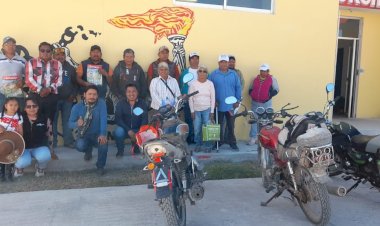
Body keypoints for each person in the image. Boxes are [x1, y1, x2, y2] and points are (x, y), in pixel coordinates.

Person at [25, 42, 62, 159]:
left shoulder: (57, 63)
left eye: (48, 50)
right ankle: (35, 148)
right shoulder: (31, 62)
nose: (45, 53)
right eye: (42, 50)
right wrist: (40, 89)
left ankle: (50, 150)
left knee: (50, 123)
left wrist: (49, 89)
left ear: (52, 52)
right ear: (39, 51)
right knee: (36, 122)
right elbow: (28, 79)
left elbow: (59, 80)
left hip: (51, 97)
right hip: (36, 96)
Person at [69, 85, 108, 175]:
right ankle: (88, 150)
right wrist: (77, 123)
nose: (92, 96)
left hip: (97, 135)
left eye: (94, 94)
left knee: (103, 143)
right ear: (84, 95)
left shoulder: (101, 104)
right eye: (89, 94)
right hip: (83, 135)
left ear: (97, 96)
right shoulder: (77, 107)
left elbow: (103, 119)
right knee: (80, 146)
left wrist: (102, 134)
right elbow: (70, 123)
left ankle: (100, 166)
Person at [209, 54, 241, 151]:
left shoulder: (233, 74)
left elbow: (238, 87)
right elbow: (209, 88)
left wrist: (237, 100)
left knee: (231, 125)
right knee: (218, 125)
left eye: (225, 62)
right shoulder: (213, 74)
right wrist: (213, 101)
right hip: (219, 105)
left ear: (228, 63)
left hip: (231, 106)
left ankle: (232, 143)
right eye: (222, 62)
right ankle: (217, 143)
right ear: (219, 63)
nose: (224, 64)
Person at [14, 97, 52, 177]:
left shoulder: (45, 119)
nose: (32, 108)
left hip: (39, 147)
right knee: (23, 162)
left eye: (34, 106)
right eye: (28, 106)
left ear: (38, 107)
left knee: (45, 156)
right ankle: (18, 168)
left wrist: (51, 149)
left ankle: (40, 168)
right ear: (24, 108)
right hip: (24, 148)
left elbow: (49, 135)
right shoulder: (18, 119)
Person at [247, 64, 279, 145]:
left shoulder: (272, 79)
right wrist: (252, 94)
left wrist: (269, 96)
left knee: (266, 121)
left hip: (266, 103)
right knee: (254, 120)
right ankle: (253, 138)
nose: (262, 72)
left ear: (268, 71)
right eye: (261, 71)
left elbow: (276, 89)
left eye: (264, 71)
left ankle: (265, 138)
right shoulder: (255, 79)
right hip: (255, 103)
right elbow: (251, 88)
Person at [52, 47, 78, 148]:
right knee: (53, 121)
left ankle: (68, 142)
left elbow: (76, 84)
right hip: (53, 99)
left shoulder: (70, 68)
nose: (60, 57)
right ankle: (53, 143)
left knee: (67, 121)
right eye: (57, 55)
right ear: (54, 56)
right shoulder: (50, 67)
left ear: (65, 56)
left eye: (62, 55)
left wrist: (73, 95)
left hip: (68, 100)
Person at [113, 84, 148, 157]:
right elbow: (118, 119)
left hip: (137, 130)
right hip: (125, 130)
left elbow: (144, 119)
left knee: (146, 131)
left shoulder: (142, 103)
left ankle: (136, 146)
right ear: (125, 93)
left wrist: (139, 132)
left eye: (133, 91)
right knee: (118, 131)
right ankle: (120, 150)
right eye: (129, 91)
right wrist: (128, 130)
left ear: (137, 92)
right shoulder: (120, 103)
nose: (131, 94)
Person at [188, 65, 215, 152]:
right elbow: (190, 98)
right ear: (197, 73)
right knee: (197, 129)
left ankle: (208, 146)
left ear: (207, 74)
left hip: (207, 109)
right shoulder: (193, 84)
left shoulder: (210, 84)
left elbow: (213, 98)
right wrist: (192, 111)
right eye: (200, 71)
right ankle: (198, 144)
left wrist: (212, 111)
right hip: (196, 110)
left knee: (207, 128)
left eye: (204, 71)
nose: (202, 73)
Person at [0, 36, 26, 111]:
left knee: (19, 115)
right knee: (1, 116)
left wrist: (23, 82)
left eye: (13, 44)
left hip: (17, 93)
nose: (10, 46)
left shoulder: (22, 60)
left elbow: (27, 75)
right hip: (1, 94)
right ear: (3, 46)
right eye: (8, 44)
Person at [0, 97, 23, 181]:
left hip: (14, 141)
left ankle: (9, 175)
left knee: (11, 159)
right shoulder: (0, 115)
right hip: (2, 141)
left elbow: (20, 130)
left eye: (16, 105)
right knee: (1, 157)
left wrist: (20, 142)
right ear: (6, 105)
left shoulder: (19, 117)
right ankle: (1, 175)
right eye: (11, 105)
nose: (13, 107)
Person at [179, 52, 200, 144]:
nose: (194, 60)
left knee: (199, 119)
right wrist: (184, 95)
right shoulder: (185, 72)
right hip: (188, 100)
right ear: (189, 60)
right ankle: (190, 138)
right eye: (192, 58)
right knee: (189, 119)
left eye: (196, 58)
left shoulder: (202, 71)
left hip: (200, 100)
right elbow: (181, 85)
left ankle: (198, 138)